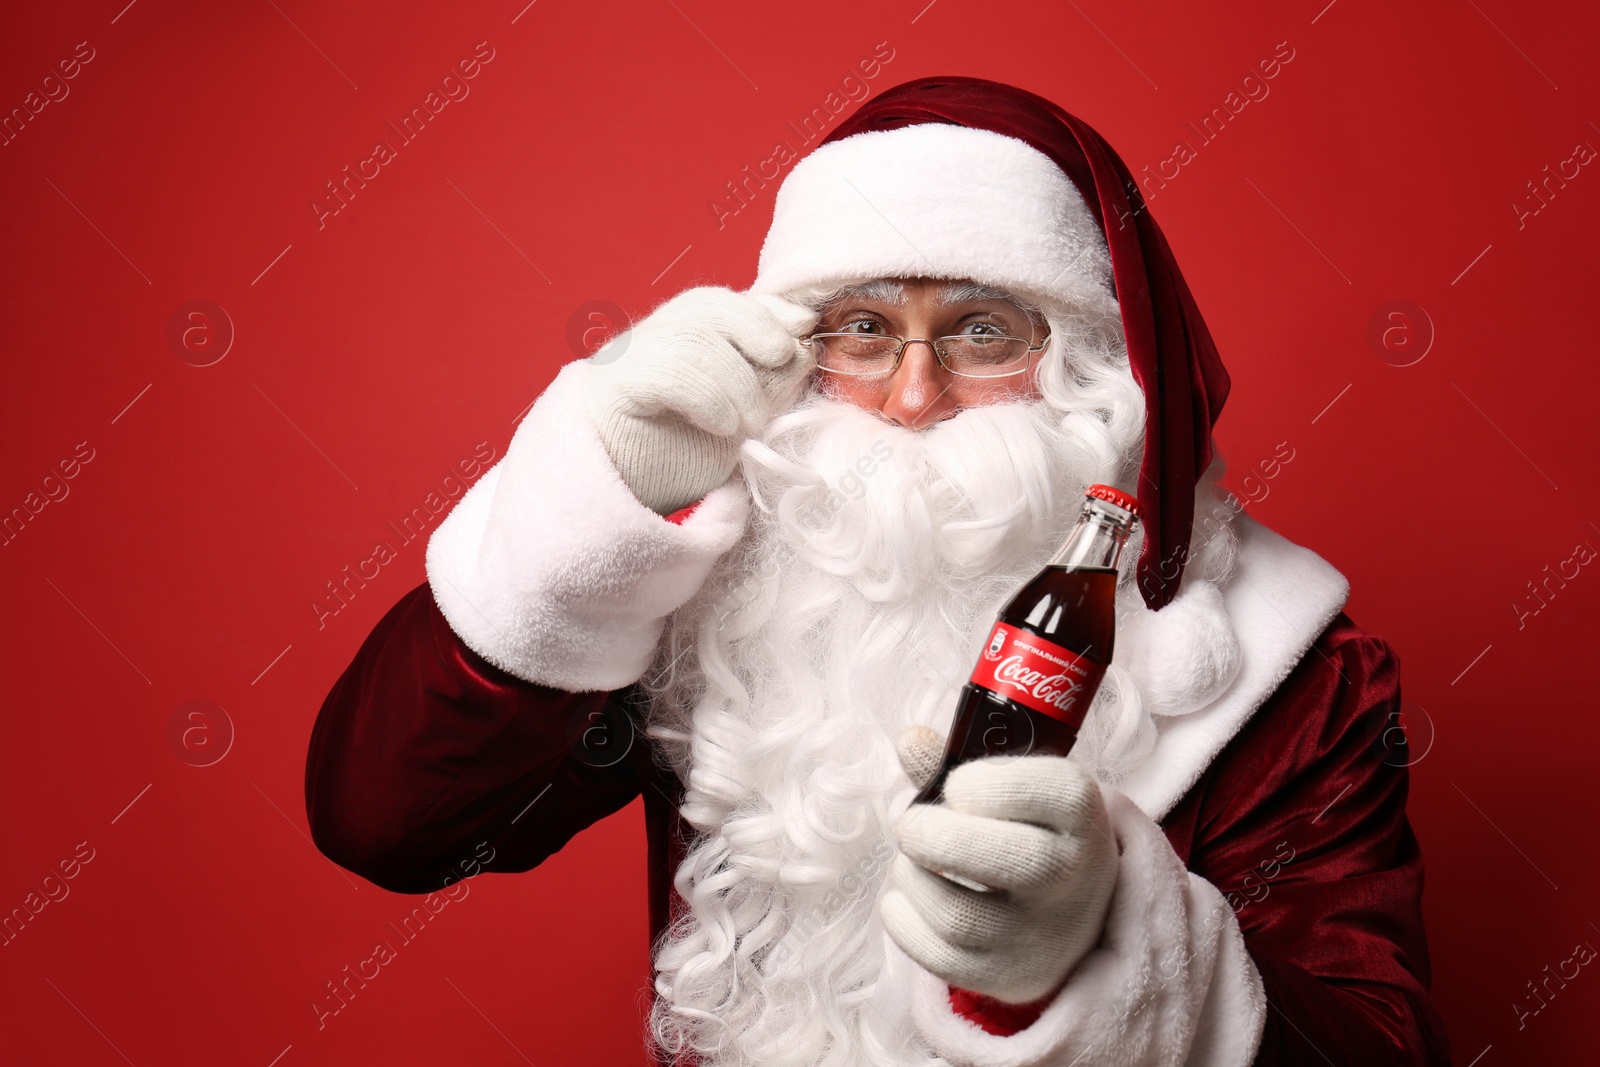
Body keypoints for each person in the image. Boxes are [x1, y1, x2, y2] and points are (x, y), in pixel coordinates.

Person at [304, 77, 1453, 1065]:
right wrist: (606, 491)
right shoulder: (725, 595)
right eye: (861, 329)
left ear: (1089, 361)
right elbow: (390, 822)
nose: (912, 398)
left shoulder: (1291, 667)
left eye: (980, 330)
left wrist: (1103, 953)